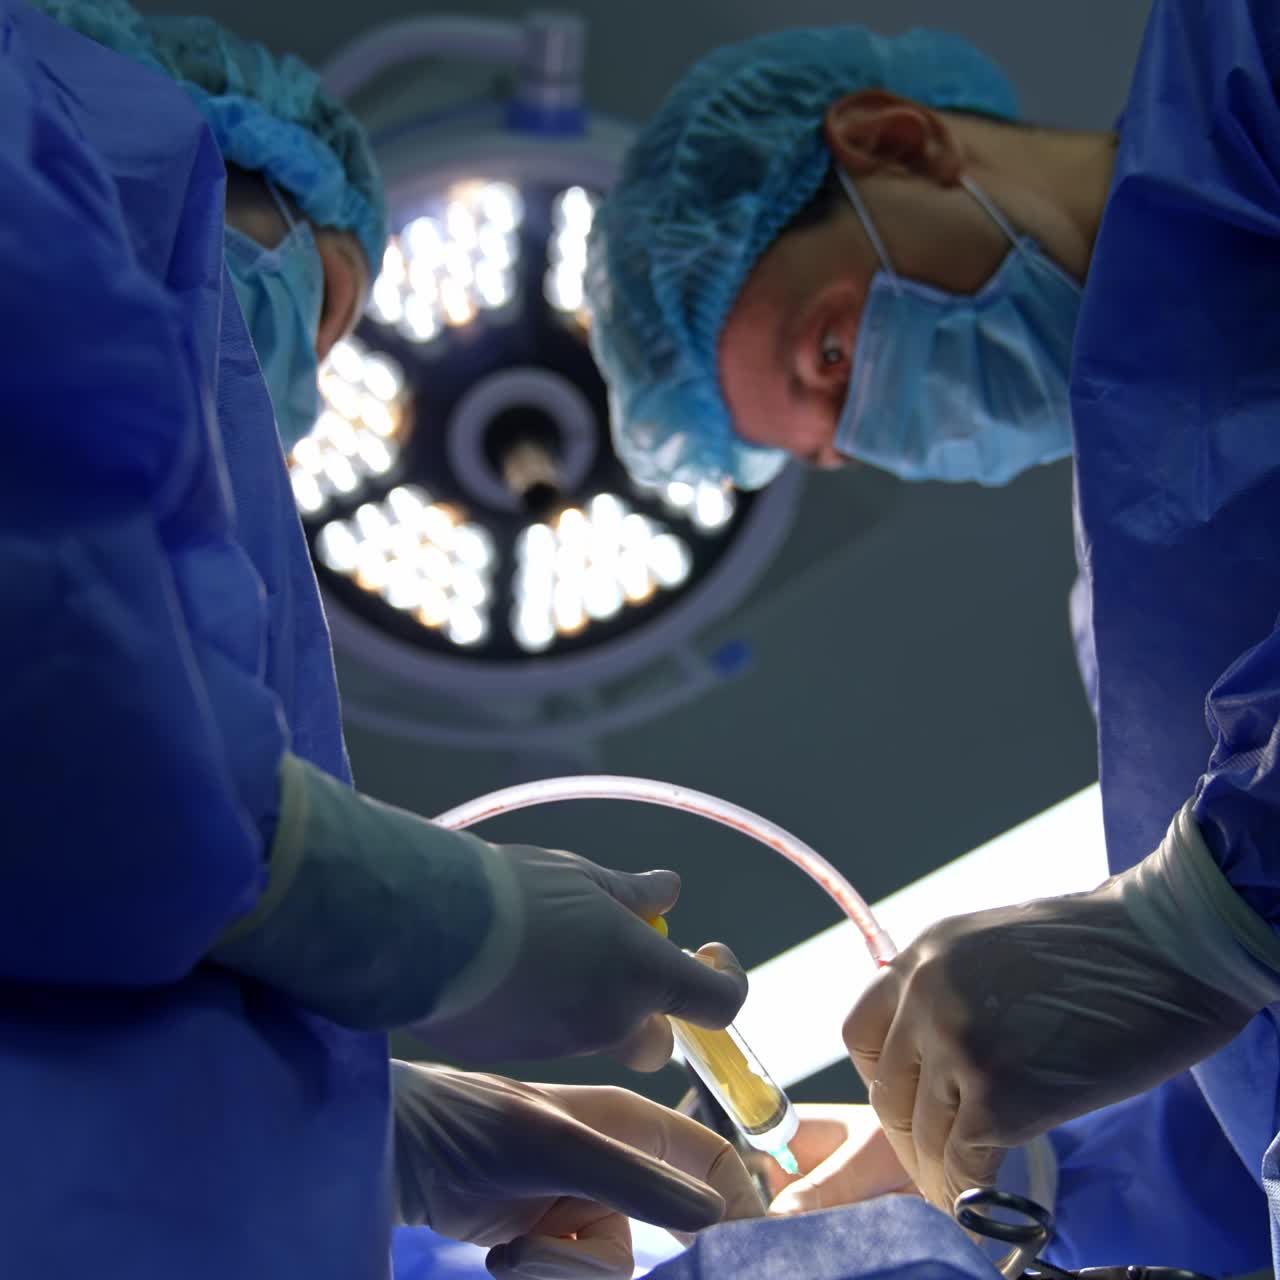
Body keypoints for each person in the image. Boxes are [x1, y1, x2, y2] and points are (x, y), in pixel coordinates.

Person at [0, 2, 763, 1276]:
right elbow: (50, 708)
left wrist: (354, 1133)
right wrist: (395, 906)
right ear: (216, 159)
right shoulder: (44, 117)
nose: (290, 394)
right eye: (322, 306)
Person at [586, 3, 1280, 1272]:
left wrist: (1213, 907)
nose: (869, 425)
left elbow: (1222, 936)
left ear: (894, 141)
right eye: (829, 443)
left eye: (829, 349)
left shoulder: (1243, 67)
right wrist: (1009, 1170)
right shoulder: (1131, 609)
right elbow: (1243, 1078)